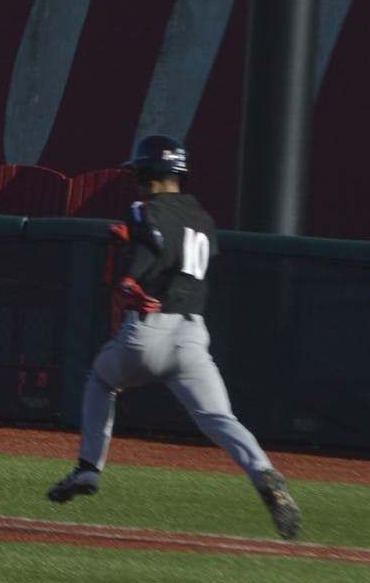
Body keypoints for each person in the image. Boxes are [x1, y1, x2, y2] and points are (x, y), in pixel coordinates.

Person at [46, 135, 302, 540]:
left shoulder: (143, 208)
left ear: (147, 173)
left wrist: (132, 275)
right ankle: (264, 474)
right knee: (220, 418)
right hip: (192, 336)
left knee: (101, 378)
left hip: (148, 330)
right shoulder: (201, 215)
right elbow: (184, 253)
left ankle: (89, 469)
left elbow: (155, 246)